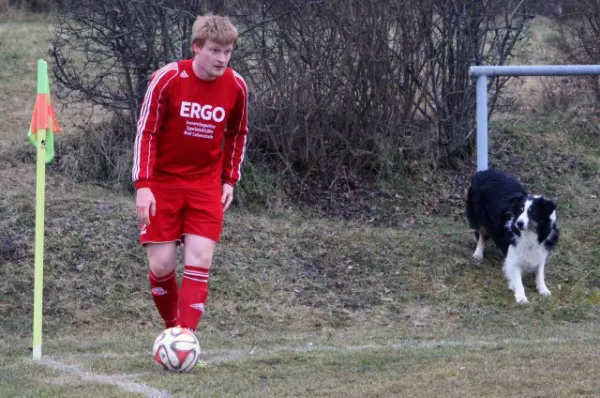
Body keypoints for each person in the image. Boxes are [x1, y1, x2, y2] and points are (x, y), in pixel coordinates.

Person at [132, 14, 248, 334]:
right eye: (215, 51)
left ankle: (185, 338)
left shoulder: (236, 86)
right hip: (162, 183)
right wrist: (143, 185)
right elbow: (146, 132)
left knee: (200, 261)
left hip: (205, 184)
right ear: (196, 48)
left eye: (228, 52)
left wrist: (229, 180)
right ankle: (172, 328)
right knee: (162, 265)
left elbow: (237, 134)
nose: (222, 59)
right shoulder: (168, 78)